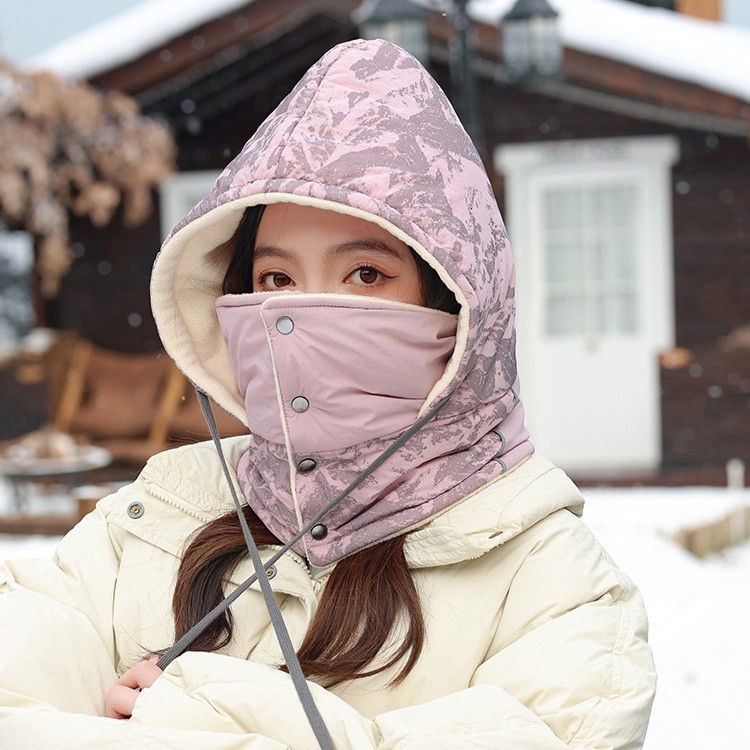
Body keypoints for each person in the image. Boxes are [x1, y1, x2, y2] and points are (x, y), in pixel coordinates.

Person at [0, 39, 656, 748]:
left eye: (366, 274)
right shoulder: (151, 519)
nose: (298, 314)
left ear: (457, 303)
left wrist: (213, 711)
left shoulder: (553, 582)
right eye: (276, 279)